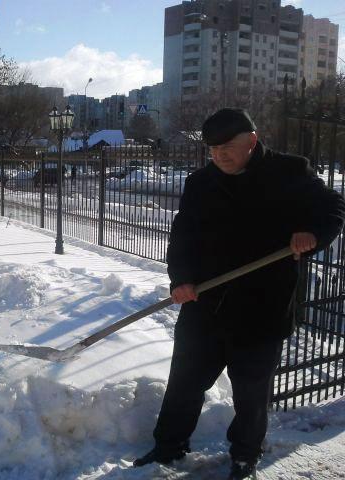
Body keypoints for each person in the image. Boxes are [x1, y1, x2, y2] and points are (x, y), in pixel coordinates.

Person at [133, 108, 345, 479]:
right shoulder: (201, 182)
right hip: (205, 302)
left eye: (227, 147)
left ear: (252, 140)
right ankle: (169, 445)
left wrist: (311, 233)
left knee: (251, 394)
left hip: (263, 306)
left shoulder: (289, 172)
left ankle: (245, 456)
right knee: (184, 382)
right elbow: (182, 236)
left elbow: (333, 208)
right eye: (212, 150)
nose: (219, 156)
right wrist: (180, 279)